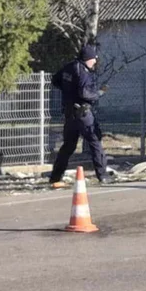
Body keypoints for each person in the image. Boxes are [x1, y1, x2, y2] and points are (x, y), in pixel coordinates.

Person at [49, 44, 112, 186]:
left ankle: (55, 177)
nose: (95, 62)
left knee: (68, 146)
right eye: (93, 59)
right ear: (88, 58)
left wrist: (68, 92)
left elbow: (55, 80)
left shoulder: (69, 67)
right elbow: (85, 93)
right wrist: (99, 93)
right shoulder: (83, 71)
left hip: (69, 113)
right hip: (83, 114)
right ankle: (103, 176)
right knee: (95, 142)